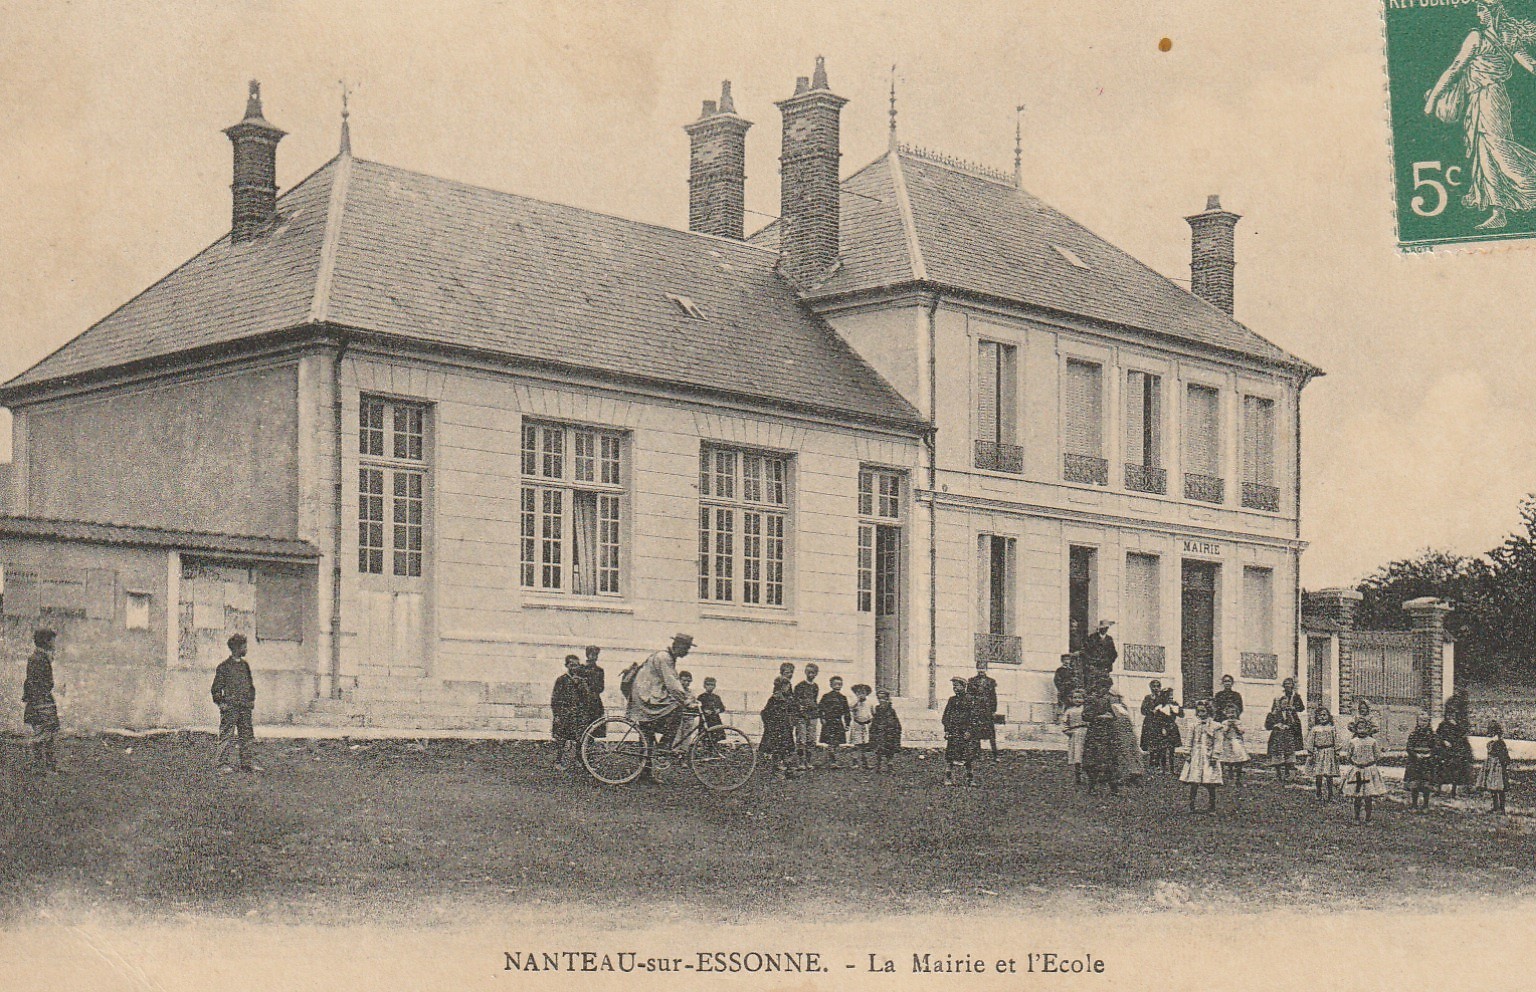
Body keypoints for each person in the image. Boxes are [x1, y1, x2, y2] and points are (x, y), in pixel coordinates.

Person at [1424, 0, 1536, 230]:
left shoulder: (1496, 37)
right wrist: (1434, 98)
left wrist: (1432, 100)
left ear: (1493, 11)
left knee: (1498, 148)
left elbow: (1531, 64)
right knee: (1484, 152)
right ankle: (1498, 211)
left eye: (1482, 9)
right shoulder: (1484, 36)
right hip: (1478, 100)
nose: (1478, 14)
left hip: (1492, 99)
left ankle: (1529, 183)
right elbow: (1455, 68)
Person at [625, 633, 697, 782]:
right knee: (677, 708)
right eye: (686, 648)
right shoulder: (664, 658)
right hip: (647, 696)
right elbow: (673, 684)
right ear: (679, 646)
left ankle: (645, 772)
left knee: (647, 733)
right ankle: (663, 748)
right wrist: (686, 701)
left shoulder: (666, 657)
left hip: (645, 694)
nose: (687, 651)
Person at [211, 633, 260, 774]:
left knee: (247, 736)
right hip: (230, 708)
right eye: (244, 646)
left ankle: (247, 763)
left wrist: (251, 700)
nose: (246, 649)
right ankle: (221, 764)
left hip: (244, 707)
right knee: (227, 736)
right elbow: (216, 689)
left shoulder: (245, 666)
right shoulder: (224, 667)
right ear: (237, 648)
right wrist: (221, 703)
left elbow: (250, 686)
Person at [22, 628, 61, 775]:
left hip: (39, 700)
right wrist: (39, 701)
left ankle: (44, 765)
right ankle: (43, 766)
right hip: (41, 701)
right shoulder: (39, 659)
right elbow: (37, 683)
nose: (54, 644)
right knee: (44, 734)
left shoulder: (39, 658)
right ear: (46, 642)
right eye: (52, 641)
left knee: (45, 733)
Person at [1341, 717, 1388, 824]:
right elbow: (1349, 756)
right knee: (1357, 796)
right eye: (1359, 728)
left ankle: (1368, 818)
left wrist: (1369, 764)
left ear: (1369, 729)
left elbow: (1377, 756)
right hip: (1357, 770)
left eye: (1364, 728)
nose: (1362, 730)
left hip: (1369, 771)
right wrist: (1356, 764)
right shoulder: (1353, 742)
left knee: (1368, 796)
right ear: (1356, 729)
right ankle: (1356, 818)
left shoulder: (1372, 741)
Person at [1181, 700, 1225, 812]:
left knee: (1210, 782)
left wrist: (1215, 756)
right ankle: (1191, 806)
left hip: (1208, 756)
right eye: (1199, 711)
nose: (1201, 714)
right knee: (1194, 782)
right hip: (1196, 755)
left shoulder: (1216, 726)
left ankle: (1212, 807)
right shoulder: (1194, 725)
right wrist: (1187, 752)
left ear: (1209, 711)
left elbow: (1218, 742)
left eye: (1203, 711)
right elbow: (1189, 739)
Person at [550, 655, 591, 770]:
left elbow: (587, 697)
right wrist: (557, 715)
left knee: (579, 738)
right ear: (566, 665)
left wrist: (581, 685)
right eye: (571, 665)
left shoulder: (582, 680)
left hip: (578, 714)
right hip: (564, 714)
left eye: (576, 665)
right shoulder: (561, 680)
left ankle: (579, 760)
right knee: (561, 739)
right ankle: (558, 761)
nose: (574, 668)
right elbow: (555, 699)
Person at [1081, 681, 1120, 795]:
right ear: (1096, 687)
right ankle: (1092, 787)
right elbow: (1085, 716)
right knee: (1093, 761)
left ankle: (1114, 789)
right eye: (1102, 687)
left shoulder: (1107, 699)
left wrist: (1111, 716)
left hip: (1107, 733)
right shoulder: (1090, 699)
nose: (1104, 690)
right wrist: (1098, 716)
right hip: (1095, 733)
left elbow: (1114, 715)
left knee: (1110, 761)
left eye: (1107, 688)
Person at [942, 677, 981, 787]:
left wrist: (969, 731)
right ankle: (948, 777)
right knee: (950, 756)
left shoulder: (970, 700)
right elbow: (946, 716)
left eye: (957, 686)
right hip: (954, 731)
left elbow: (974, 717)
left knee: (968, 757)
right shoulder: (952, 700)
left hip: (965, 733)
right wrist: (947, 730)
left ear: (963, 686)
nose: (954, 688)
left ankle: (970, 779)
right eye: (953, 686)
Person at [759, 677, 798, 780]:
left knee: (788, 749)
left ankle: (789, 770)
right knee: (777, 750)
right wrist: (770, 725)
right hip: (776, 729)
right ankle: (778, 771)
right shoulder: (774, 699)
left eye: (788, 686)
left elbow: (793, 711)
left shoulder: (790, 699)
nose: (787, 688)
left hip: (786, 729)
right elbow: (765, 713)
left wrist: (792, 721)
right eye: (785, 686)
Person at [1304, 706, 1341, 802]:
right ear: (1317, 717)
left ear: (1329, 716)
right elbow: (1310, 741)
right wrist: (1310, 753)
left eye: (1324, 715)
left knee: (1329, 775)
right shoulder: (1315, 729)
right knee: (1318, 774)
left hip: (1329, 753)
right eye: (1320, 715)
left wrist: (1337, 752)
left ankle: (1330, 795)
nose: (1322, 717)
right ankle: (1318, 793)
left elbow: (1336, 740)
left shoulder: (1332, 728)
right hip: (1318, 753)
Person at [1144, 686, 1183, 775]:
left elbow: (1181, 715)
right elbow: (1156, 719)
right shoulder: (1160, 706)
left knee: (1172, 750)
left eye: (1171, 695)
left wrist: (1176, 709)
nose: (1170, 697)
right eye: (1168, 695)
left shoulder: (1174, 704)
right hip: (1162, 729)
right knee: (1163, 750)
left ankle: (1172, 769)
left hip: (1172, 728)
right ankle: (1164, 769)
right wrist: (1162, 728)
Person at [1435, 711, 1475, 798]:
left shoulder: (1460, 725)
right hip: (1444, 751)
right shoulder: (1443, 725)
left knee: (1456, 772)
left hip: (1456, 751)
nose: (1451, 717)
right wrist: (1443, 741)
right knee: (1441, 770)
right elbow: (1437, 735)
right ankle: (1438, 790)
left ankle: (1454, 792)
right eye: (1450, 715)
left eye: (1453, 715)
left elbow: (1463, 738)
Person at [1109, 689, 1145, 785]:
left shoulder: (1123, 707)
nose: (1113, 698)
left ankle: (1136, 772)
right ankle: (1127, 774)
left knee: (1133, 751)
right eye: (1112, 696)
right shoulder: (1111, 707)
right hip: (1119, 732)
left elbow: (1128, 720)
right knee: (1123, 752)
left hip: (1128, 731)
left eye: (1115, 696)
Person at [1404, 712, 1438, 811]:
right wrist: (1416, 755)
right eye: (1421, 721)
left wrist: (1430, 754)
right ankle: (1414, 805)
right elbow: (1409, 747)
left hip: (1427, 763)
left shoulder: (1432, 735)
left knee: (1426, 784)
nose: (1423, 723)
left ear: (1428, 722)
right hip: (1415, 762)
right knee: (1415, 784)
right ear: (1417, 721)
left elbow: (1436, 747)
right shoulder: (1413, 734)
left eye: (1426, 721)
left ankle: (1425, 805)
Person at [1265, 699, 1303, 783]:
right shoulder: (1273, 713)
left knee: (1289, 756)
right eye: (1283, 703)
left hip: (1288, 738)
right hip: (1277, 737)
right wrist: (1276, 725)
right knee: (1277, 756)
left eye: (1287, 704)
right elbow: (1267, 725)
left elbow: (1297, 725)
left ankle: (1288, 775)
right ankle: (1278, 775)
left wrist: (1289, 726)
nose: (1285, 705)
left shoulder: (1291, 713)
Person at [969, 664, 1001, 762]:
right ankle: (978, 754)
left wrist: (994, 711)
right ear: (976, 669)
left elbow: (993, 697)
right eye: (979, 668)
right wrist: (970, 709)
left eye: (983, 668)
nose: (981, 670)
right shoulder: (972, 681)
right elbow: (969, 696)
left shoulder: (991, 682)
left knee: (991, 734)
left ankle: (995, 755)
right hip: (976, 710)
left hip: (987, 711)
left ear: (986, 669)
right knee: (976, 733)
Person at [793, 663, 821, 771]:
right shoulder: (800, 686)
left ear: (816, 674)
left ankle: (808, 762)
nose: (811, 675)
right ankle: (801, 762)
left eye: (813, 673)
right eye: (809, 672)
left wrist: (815, 709)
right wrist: (799, 707)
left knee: (811, 739)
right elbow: (795, 700)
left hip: (812, 716)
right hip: (802, 716)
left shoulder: (815, 686)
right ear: (805, 672)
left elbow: (814, 700)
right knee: (801, 740)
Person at [818, 676, 851, 769]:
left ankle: (833, 759)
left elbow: (846, 711)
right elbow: (820, 708)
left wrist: (847, 723)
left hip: (838, 722)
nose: (837, 686)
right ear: (831, 685)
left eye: (840, 684)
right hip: (828, 722)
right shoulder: (826, 696)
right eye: (835, 684)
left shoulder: (843, 698)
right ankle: (832, 761)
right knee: (830, 741)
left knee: (837, 742)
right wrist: (822, 718)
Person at [1216, 702, 1250, 788]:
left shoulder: (1239, 722)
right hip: (1227, 743)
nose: (1231, 715)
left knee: (1239, 760)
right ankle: (1226, 778)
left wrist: (1235, 727)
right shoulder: (1224, 722)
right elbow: (1222, 732)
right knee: (1226, 761)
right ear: (1225, 713)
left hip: (1236, 743)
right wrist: (1228, 727)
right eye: (1229, 712)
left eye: (1233, 712)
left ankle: (1237, 778)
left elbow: (1242, 732)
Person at [576, 645, 607, 739]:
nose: (594, 657)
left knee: (594, 728)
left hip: (595, 702)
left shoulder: (599, 670)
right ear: (587, 655)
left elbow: (601, 687)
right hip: (582, 701)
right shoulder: (580, 669)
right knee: (581, 728)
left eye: (596, 655)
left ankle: (589, 747)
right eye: (592, 654)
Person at [1480, 721, 1511, 813]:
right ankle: (1495, 806)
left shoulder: (1500, 742)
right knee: (1492, 787)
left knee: (1499, 787)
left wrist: (1503, 765)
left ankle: (1502, 808)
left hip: (1498, 766)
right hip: (1491, 765)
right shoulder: (1492, 742)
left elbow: (1505, 756)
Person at [870, 688, 903, 773]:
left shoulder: (891, 710)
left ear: (887, 699)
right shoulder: (877, 709)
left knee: (889, 749)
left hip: (889, 732)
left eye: (883, 698)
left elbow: (895, 722)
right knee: (879, 749)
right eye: (879, 698)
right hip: (880, 732)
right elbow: (875, 720)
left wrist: (896, 730)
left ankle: (890, 766)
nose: (881, 700)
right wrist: (873, 729)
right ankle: (878, 766)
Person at [1061, 688, 1088, 785]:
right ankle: (1078, 777)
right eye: (1075, 698)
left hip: (1086, 733)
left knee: (1086, 755)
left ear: (1084, 699)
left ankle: (1088, 776)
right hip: (1075, 734)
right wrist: (1068, 731)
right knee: (1077, 755)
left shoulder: (1086, 709)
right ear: (1071, 699)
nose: (1077, 700)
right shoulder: (1069, 710)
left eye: (1080, 698)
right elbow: (1064, 723)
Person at [848, 684, 876, 770]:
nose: (861, 695)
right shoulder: (854, 703)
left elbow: (873, 713)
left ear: (867, 693)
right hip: (857, 725)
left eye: (863, 692)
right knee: (856, 745)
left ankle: (865, 762)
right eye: (858, 693)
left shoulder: (870, 703)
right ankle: (855, 762)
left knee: (865, 745)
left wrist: (871, 721)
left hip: (866, 725)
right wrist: (857, 701)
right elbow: (850, 708)